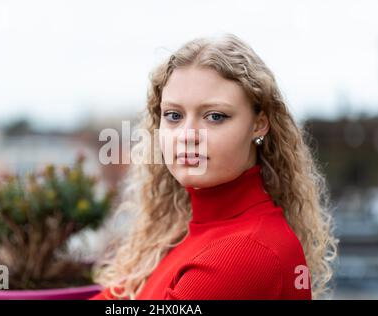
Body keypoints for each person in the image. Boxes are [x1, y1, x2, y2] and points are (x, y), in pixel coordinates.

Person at [88, 33, 337, 300]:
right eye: (173, 116)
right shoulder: (181, 233)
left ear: (259, 123)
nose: (187, 135)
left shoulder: (244, 253)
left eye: (215, 116)